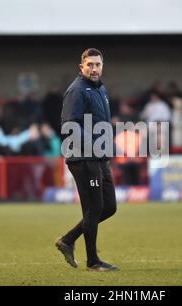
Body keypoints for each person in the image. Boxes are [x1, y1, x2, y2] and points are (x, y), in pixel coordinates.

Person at [56, 48, 118, 272]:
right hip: (83, 158)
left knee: (109, 207)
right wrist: (94, 145)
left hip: (99, 158)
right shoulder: (77, 91)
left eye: (98, 65)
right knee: (94, 208)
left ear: (102, 66)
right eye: (90, 65)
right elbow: (69, 125)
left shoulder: (100, 89)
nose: (94, 69)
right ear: (81, 66)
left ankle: (68, 239)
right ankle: (92, 261)